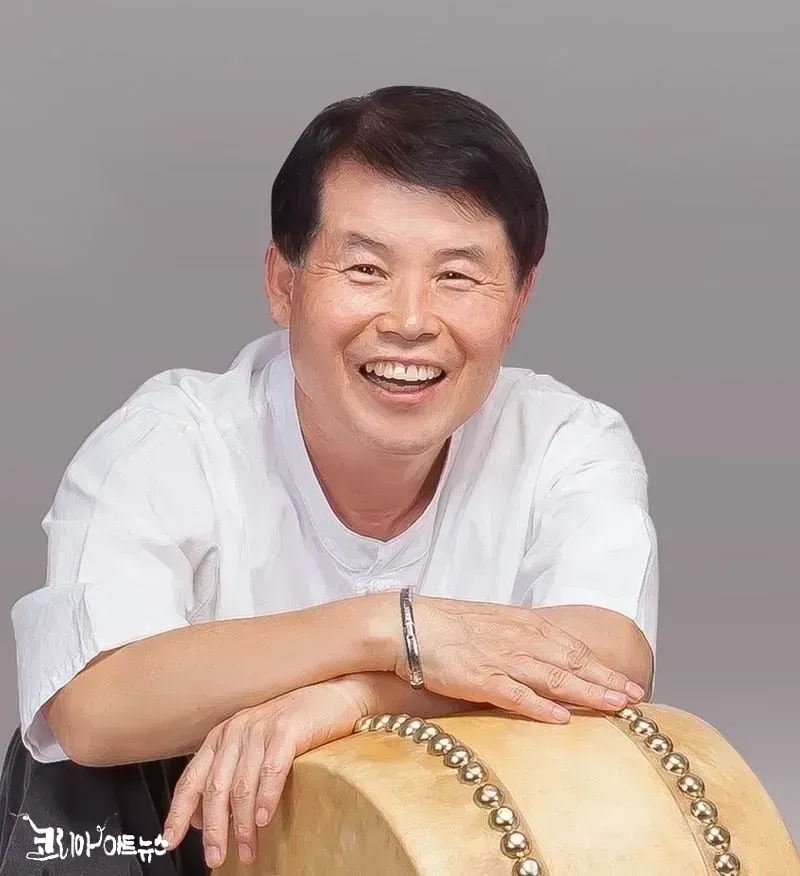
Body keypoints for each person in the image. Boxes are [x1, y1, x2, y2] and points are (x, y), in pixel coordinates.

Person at [0, 85, 657, 874]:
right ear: (283, 283)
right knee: (81, 789)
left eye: (456, 277)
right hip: (190, 838)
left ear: (517, 302)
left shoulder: (564, 441)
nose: (410, 320)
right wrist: (388, 630)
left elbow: (610, 658)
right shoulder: (170, 443)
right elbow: (91, 708)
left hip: (451, 846)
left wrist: (351, 699)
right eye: (367, 268)